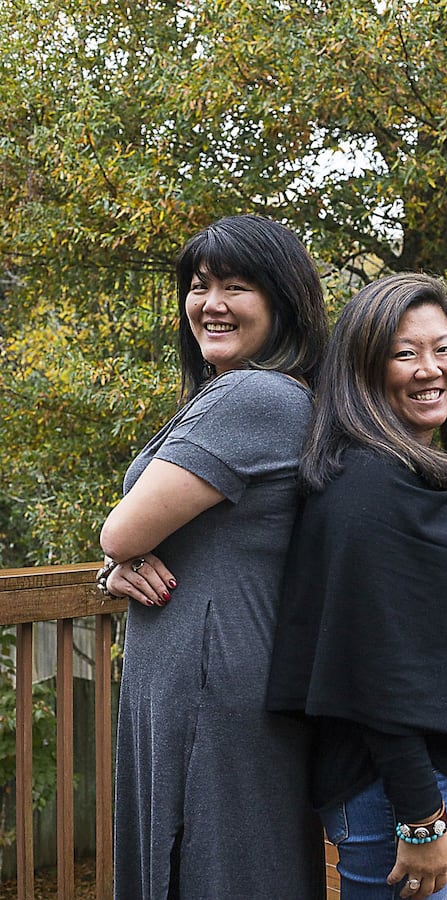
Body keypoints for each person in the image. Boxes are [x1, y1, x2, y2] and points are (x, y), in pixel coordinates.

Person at [267, 273, 447, 900]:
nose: (430, 368)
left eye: (443, 348)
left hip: (409, 780)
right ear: (364, 368)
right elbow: (373, 666)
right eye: (403, 352)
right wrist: (420, 818)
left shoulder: (411, 479)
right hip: (393, 788)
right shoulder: (368, 489)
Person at [96, 214, 330, 899]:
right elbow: (135, 540)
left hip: (214, 688)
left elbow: (120, 530)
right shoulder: (253, 396)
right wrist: (117, 565)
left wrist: (118, 552)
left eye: (237, 286)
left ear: (283, 302)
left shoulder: (253, 396)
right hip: (211, 677)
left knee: (217, 866)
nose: (211, 303)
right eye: (199, 286)